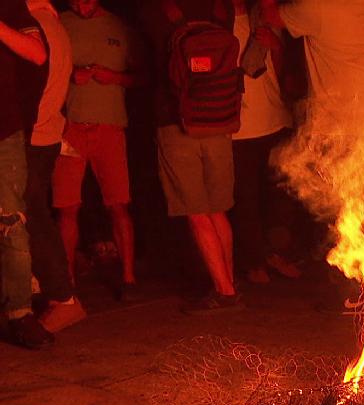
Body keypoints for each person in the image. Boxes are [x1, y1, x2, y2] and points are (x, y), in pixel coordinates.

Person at [260, 0, 364, 315]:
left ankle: (354, 294)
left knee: (342, 211)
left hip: (339, 125)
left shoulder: (318, 7)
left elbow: (271, 17)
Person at [141, 0, 243, 314]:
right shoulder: (220, 7)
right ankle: (228, 284)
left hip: (176, 122)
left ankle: (224, 292)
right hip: (219, 118)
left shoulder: (158, 9)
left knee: (197, 212)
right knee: (217, 210)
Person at [53, 0, 142, 300]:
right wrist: (70, 76)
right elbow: (42, 67)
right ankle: (68, 285)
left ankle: (129, 278)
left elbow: (140, 76)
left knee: (118, 204)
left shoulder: (119, 27)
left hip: (110, 128)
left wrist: (113, 77)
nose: (80, 4)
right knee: (67, 207)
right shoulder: (60, 23)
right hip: (70, 128)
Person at [25, 0, 86, 333]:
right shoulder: (51, 23)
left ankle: (62, 298)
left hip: (32, 135)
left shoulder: (33, 24)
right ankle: (49, 294)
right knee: (31, 216)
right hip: (45, 133)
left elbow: (29, 85)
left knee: (30, 216)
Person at [229, 0, 296, 285]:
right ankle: (253, 261)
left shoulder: (264, 19)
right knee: (246, 201)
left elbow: (281, 73)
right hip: (239, 128)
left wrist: (276, 46)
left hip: (274, 119)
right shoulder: (219, 22)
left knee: (279, 198)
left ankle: (275, 254)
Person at [1, 0, 51, 349]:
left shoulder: (10, 7)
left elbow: (37, 53)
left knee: (11, 223)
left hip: (4, 132)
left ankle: (21, 314)